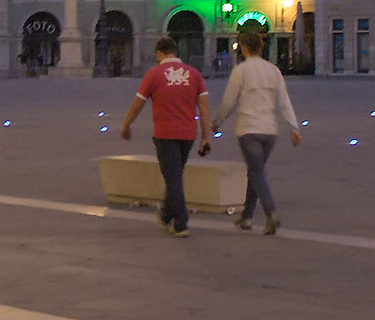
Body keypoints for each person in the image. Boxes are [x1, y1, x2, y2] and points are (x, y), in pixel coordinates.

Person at [209, 33, 301, 235]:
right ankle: (247, 217)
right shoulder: (273, 70)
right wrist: (293, 128)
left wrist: (216, 122)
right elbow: (283, 101)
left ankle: (271, 212)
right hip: (270, 132)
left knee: (257, 172)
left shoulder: (241, 71)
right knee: (255, 170)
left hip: (249, 129)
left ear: (244, 47)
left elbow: (229, 101)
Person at [119, 35, 209, 236]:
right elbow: (203, 107)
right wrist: (206, 137)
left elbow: (137, 104)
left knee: (173, 178)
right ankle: (165, 215)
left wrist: (126, 125)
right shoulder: (194, 74)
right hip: (188, 134)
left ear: (159, 53)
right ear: (175, 52)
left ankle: (181, 222)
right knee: (175, 175)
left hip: (165, 133)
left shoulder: (154, 74)